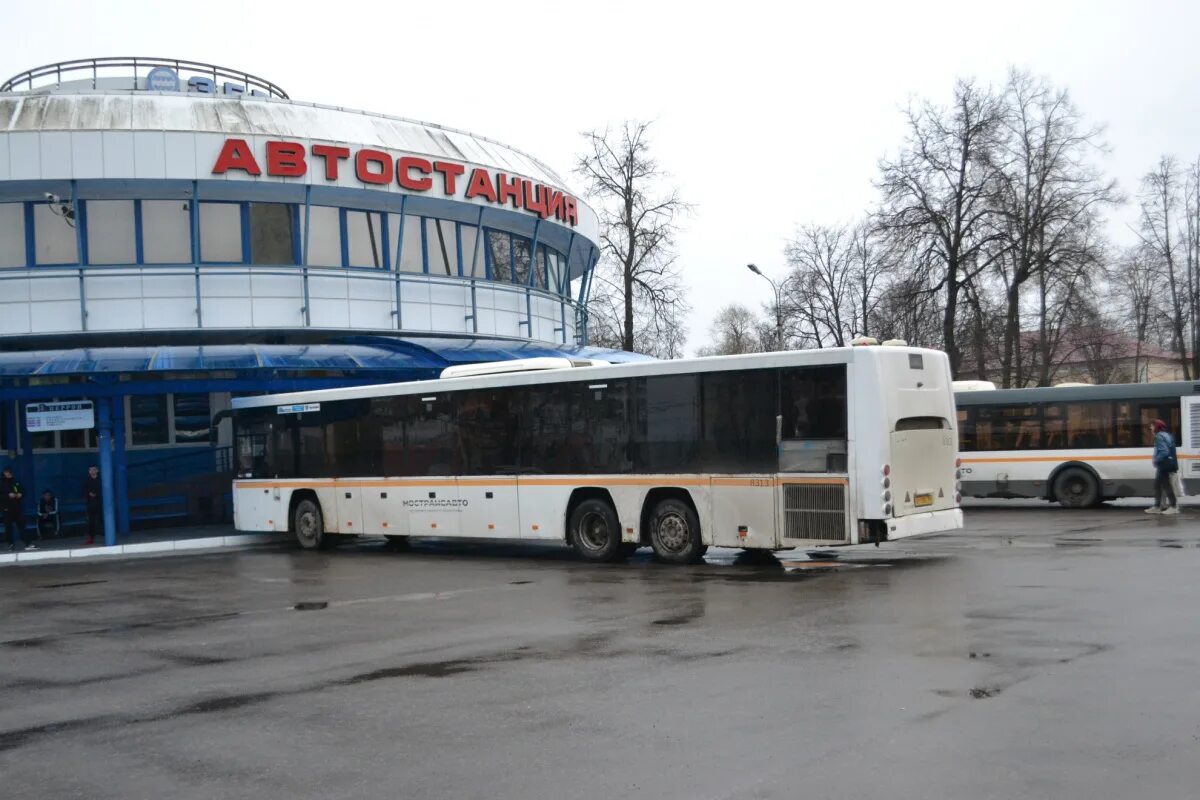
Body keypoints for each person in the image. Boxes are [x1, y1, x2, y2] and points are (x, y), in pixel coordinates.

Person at [1146, 419, 1180, 515]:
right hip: (1167, 464)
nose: (1151, 428)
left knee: (1165, 485)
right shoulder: (1166, 435)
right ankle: (1157, 506)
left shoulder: (1159, 436)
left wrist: (1156, 460)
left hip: (1163, 464)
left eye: (1152, 426)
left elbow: (1164, 451)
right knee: (1158, 485)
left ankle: (1173, 507)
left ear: (1156, 426)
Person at [2, 466, 32, 551]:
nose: (8, 474)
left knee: (22, 526)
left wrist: (20, 494)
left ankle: (27, 543)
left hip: (17, 507)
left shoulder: (15, 481)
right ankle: (10, 544)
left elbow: (23, 490)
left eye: (9, 472)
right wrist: (7, 495)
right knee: (8, 527)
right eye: (6, 472)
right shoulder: (1, 483)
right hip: (6, 508)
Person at [82, 465, 102, 545]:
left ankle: (106, 535)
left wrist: (97, 494)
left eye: (94, 470)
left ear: (97, 470)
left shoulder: (101, 479)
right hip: (91, 504)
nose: (92, 471)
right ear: (89, 472)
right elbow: (84, 491)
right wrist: (89, 493)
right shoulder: (87, 481)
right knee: (91, 522)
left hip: (101, 503)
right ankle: (91, 538)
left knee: (102, 519)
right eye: (91, 470)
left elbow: (104, 489)